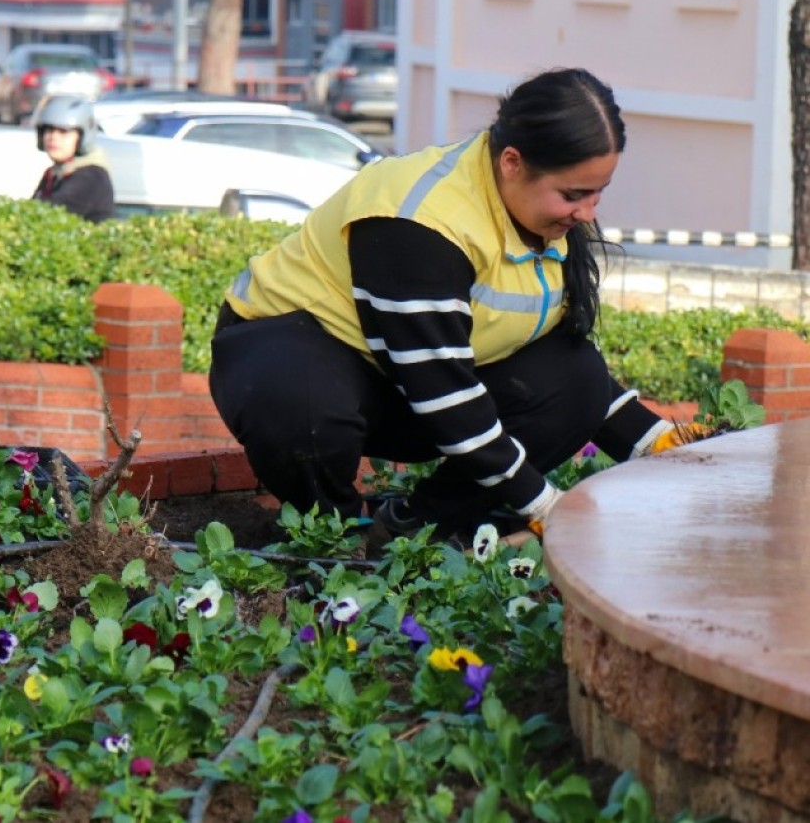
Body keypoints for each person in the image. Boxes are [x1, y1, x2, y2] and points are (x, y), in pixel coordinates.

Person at [208, 67, 712, 544]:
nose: (586, 213)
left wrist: (656, 443)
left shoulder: (540, 213)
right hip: (299, 357)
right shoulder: (420, 224)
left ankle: (412, 530)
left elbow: (565, 369)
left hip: (408, 378)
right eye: (573, 194)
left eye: (598, 194)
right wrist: (543, 504)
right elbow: (442, 392)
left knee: (575, 378)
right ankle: (334, 542)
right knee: (300, 406)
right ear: (512, 163)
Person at [30, 95, 115, 222]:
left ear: (82, 137)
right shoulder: (56, 173)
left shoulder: (91, 177)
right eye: (49, 130)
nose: (53, 137)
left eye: (63, 131)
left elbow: (45, 215)